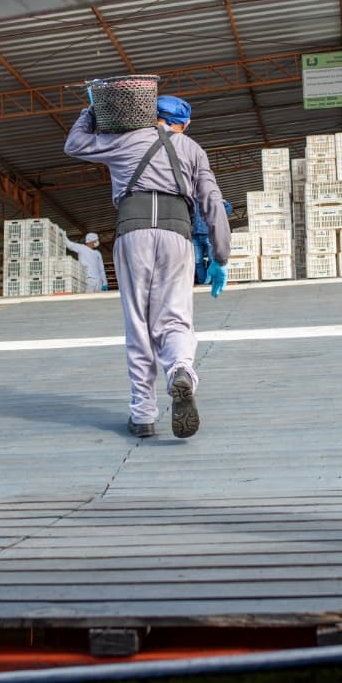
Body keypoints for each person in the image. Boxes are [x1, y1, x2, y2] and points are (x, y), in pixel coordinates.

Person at [64, 93, 231, 440]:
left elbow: (75, 144)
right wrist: (220, 256)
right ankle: (181, 370)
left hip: (132, 232)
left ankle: (142, 414)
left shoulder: (123, 139)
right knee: (175, 317)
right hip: (177, 235)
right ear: (183, 124)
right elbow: (212, 201)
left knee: (138, 323)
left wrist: (92, 111)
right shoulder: (193, 149)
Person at [192, 199, 233, 285]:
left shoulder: (212, 198)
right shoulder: (192, 200)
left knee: (212, 259)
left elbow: (229, 207)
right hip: (195, 234)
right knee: (198, 260)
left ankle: (213, 281)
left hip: (209, 233)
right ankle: (203, 281)